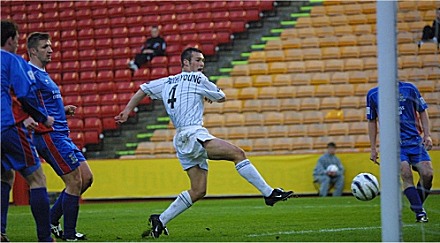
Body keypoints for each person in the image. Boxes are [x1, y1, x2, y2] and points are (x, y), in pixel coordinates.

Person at [115, 47, 294, 239]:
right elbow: (222, 96)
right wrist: (207, 93)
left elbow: (143, 89)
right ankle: (269, 193)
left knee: (198, 190)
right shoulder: (198, 79)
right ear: (185, 63)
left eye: (203, 61)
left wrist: (127, 111)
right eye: (198, 60)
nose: (202, 64)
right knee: (237, 154)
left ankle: (161, 219)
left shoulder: (166, 81)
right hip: (193, 133)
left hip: (181, 139)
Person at [26, 32, 93, 241]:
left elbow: (42, 105)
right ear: (33, 50)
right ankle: (70, 234)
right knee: (74, 181)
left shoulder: (43, 74)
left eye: (51, 46)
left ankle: (52, 221)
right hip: (50, 136)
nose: (51, 50)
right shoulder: (30, 74)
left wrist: (63, 110)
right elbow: (21, 101)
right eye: (45, 47)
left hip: (63, 134)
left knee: (86, 178)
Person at [1, 19, 54, 242]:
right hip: (7, 126)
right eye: (17, 39)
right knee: (37, 178)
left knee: (4, 176)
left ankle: (1, 232)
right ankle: (45, 238)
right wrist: (43, 117)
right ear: (11, 39)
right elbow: (23, 94)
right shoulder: (11, 60)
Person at [367, 81, 434, 223]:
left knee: (428, 174)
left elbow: (422, 110)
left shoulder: (409, 89)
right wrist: (373, 148)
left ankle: (416, 203)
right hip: (393, 145)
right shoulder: (373, 94)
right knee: (406, 173)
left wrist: (427, 135)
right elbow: (371, 121)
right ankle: (420, 212)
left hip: (414, 141)